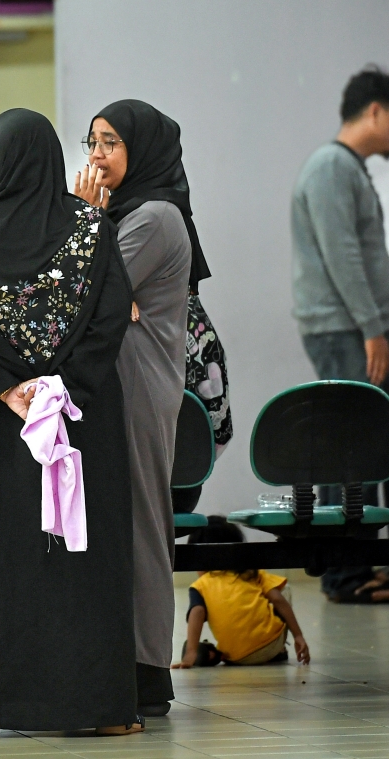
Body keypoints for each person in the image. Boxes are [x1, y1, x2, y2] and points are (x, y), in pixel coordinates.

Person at [0, 108, 139, 736]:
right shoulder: (91, 230)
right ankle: (99, 709)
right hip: (78, 421)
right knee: (82, 561)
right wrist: (60, 387)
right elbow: (109, 322)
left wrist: (5, 388)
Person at [75, 99, 202, 715]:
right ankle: (117, 659)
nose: (95, 156)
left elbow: (85, 289)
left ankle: (149, 669)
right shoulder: (124, 212)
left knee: (144, 525)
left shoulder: (152, 215)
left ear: (141, 150)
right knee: (114, 523)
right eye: (91, 142)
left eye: (109, 144)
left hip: (139, 387)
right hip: (113, 384)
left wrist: (83, 227)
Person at [292, 67, 389, 601]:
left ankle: (358, 565)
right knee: (351, 445)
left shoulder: (346, 167)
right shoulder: (332, 166)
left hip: (354, 328)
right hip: (344, 329)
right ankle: (344, 572)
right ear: (374, 110)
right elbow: (344, 256)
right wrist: (375, 329)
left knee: (361, 442)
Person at [173, 517, 310, 668]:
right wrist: (298, 636)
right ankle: (279, 651)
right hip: (271, 645)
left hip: (237, 657)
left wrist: (190, 653)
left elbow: (197, 612)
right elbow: (278, 599)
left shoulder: (200, 586)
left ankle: (214, 654)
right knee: (283, 589)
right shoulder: (252, 573)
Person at [171, 294, 233, 514]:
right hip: (181, 486)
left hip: (105, 487)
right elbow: (220, 428)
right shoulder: (192, 316)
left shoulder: (101, 306)